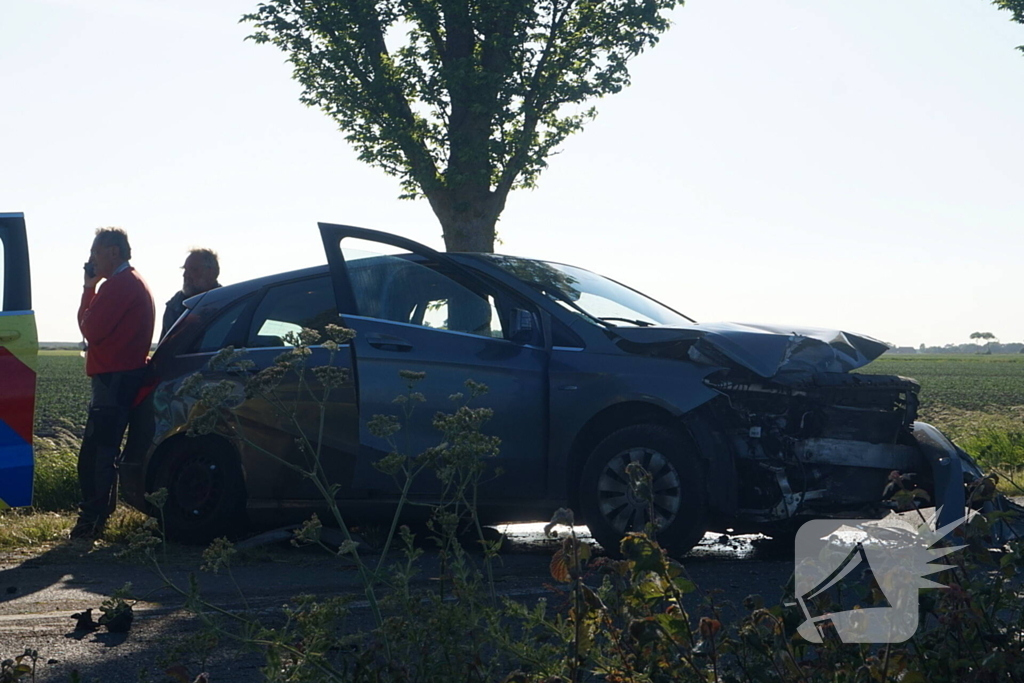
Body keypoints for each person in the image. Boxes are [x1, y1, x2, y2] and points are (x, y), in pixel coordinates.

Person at [72, 227, 155, 540]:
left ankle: (92, 519)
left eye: (95, 252)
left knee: (97, 452)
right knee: (104, 449)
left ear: (113, 252)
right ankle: (100, 514)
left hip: (113, 378)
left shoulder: (119, 285)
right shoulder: (131, 282)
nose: (92, 259)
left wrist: (88, 290)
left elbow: (90, 329)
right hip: (122, 376)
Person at [161, 248, 221, 339]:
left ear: (212, 272)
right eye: (185, 270)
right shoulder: (175, 305)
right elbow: (165, 345)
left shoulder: (226, 303)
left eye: (193, 270)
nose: (185, 275)